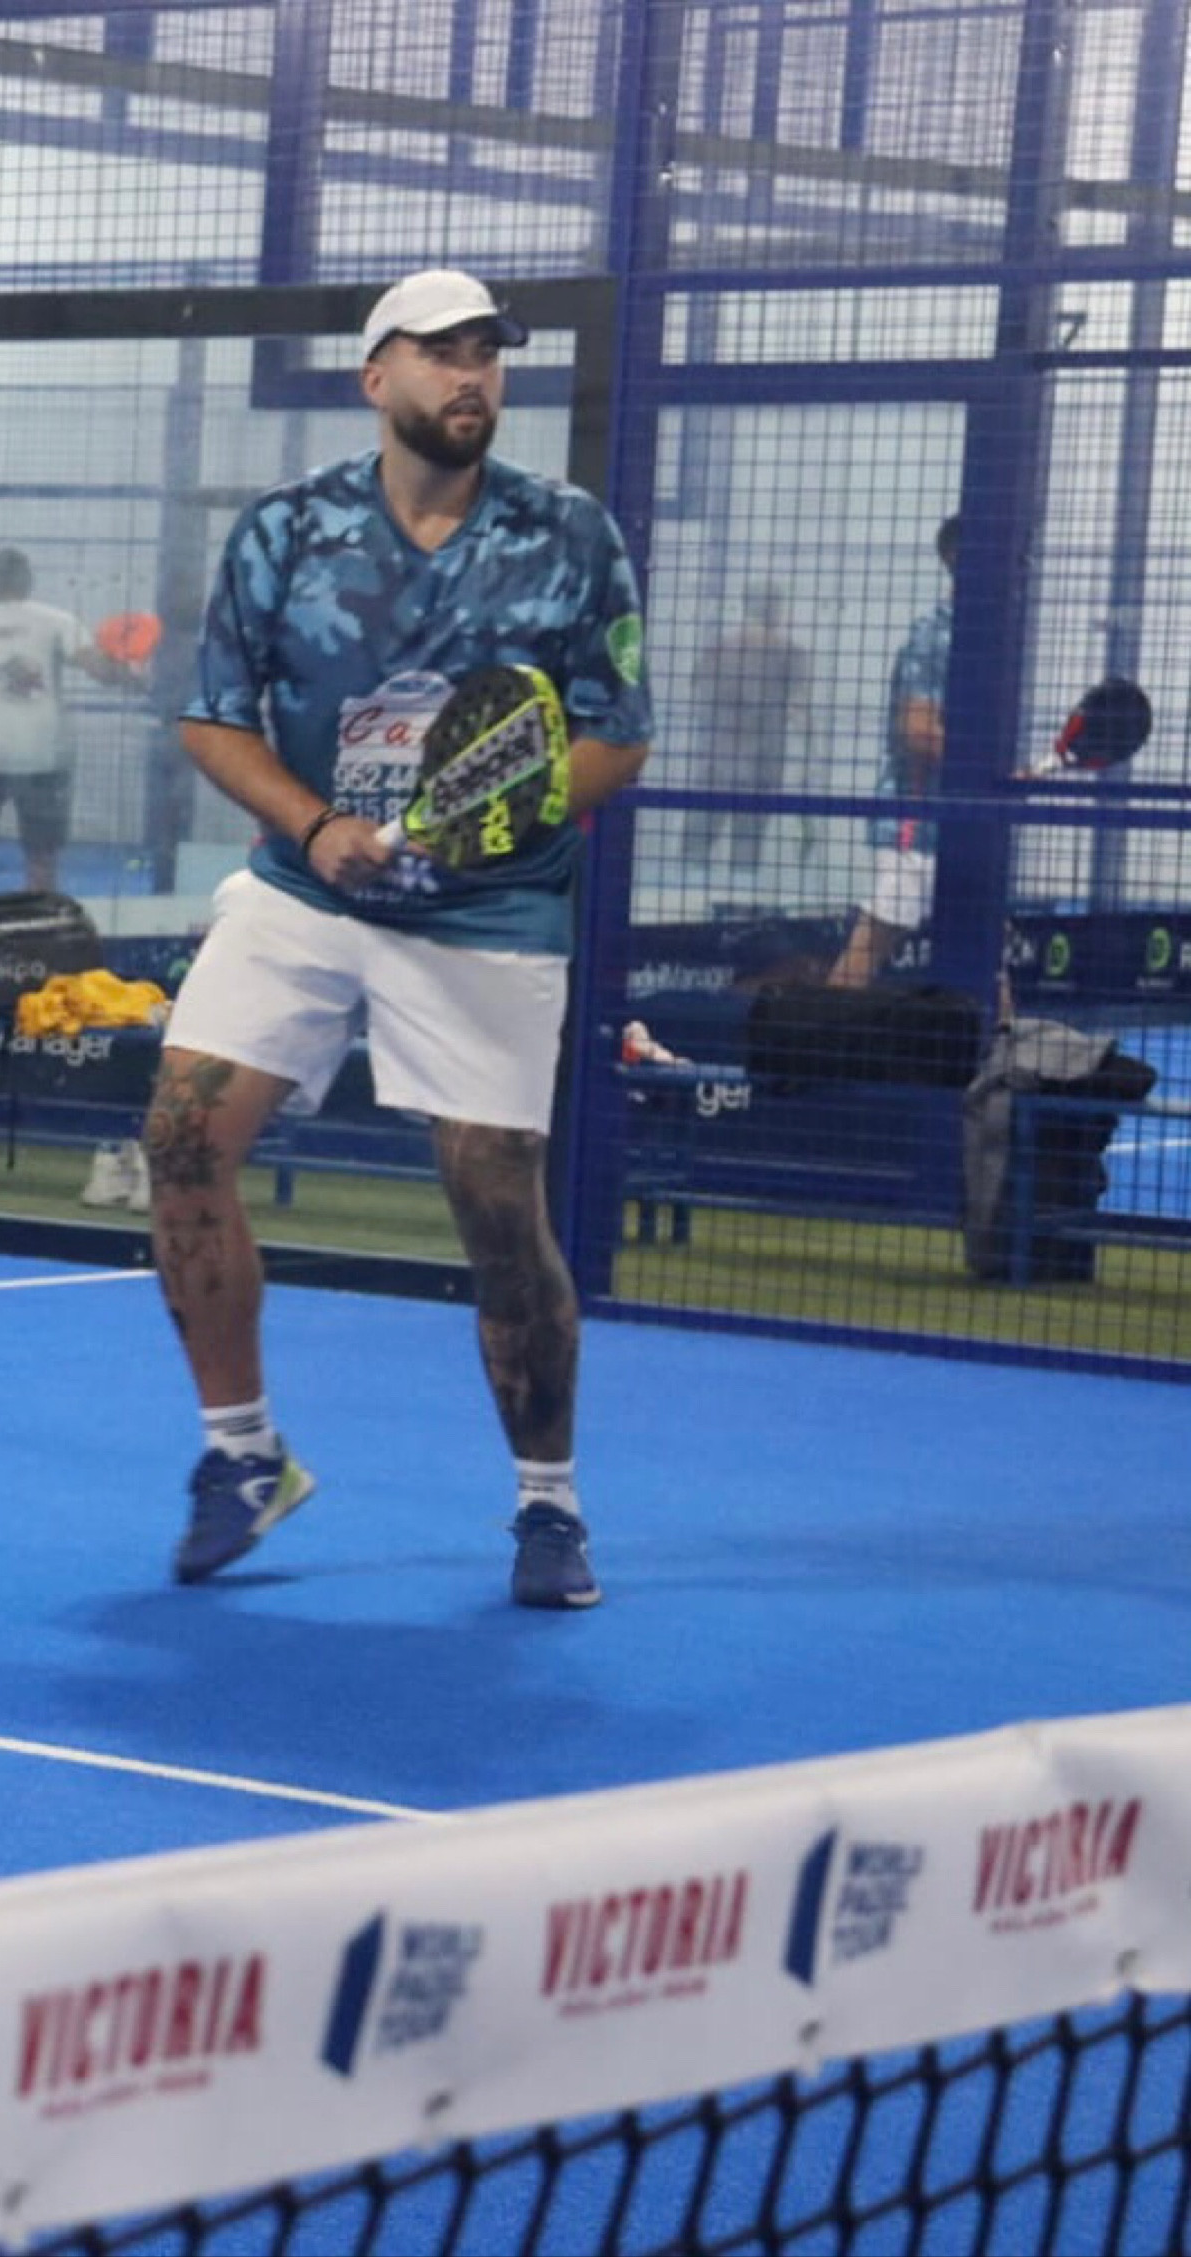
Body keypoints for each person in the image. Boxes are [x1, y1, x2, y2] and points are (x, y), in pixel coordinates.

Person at [142, 267, 653, 1611]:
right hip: (306, 890)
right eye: (441, 352)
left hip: (489, 912)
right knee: (181, 1138)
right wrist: (315, 828)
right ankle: (244, 1456)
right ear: (379, 378)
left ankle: (548, 1502)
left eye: (487, 352)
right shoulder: (288, 530)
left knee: (497, 1204)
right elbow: (212, 718)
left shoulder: (570, 533)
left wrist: (489, 827)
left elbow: (615, 735)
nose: (470, 374)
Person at [0, 547, 141, 898]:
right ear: (28, 580)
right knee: (41, 863)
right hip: (41, 756)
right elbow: (100, 670)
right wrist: (135, 675)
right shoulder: (55, 620)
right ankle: (38, 929)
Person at [828, 515, 957, 988]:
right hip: (915, 822)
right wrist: (985, 768)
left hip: (968, 825)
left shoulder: (993, 639)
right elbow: (918, 731)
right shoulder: (933, 636)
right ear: (954, 559)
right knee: (874, 942)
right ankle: (811, 1033)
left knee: (988, 952)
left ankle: (999, 1037)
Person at [683, 582, 811, 878]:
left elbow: (697, 693)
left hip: (717, 757)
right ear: (776, 609)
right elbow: (798, 708)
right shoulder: (791, 653)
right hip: (763, 759)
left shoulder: (717, 650)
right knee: (748, 843)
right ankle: (740, 893)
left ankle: (685, 893)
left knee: (698, 838)